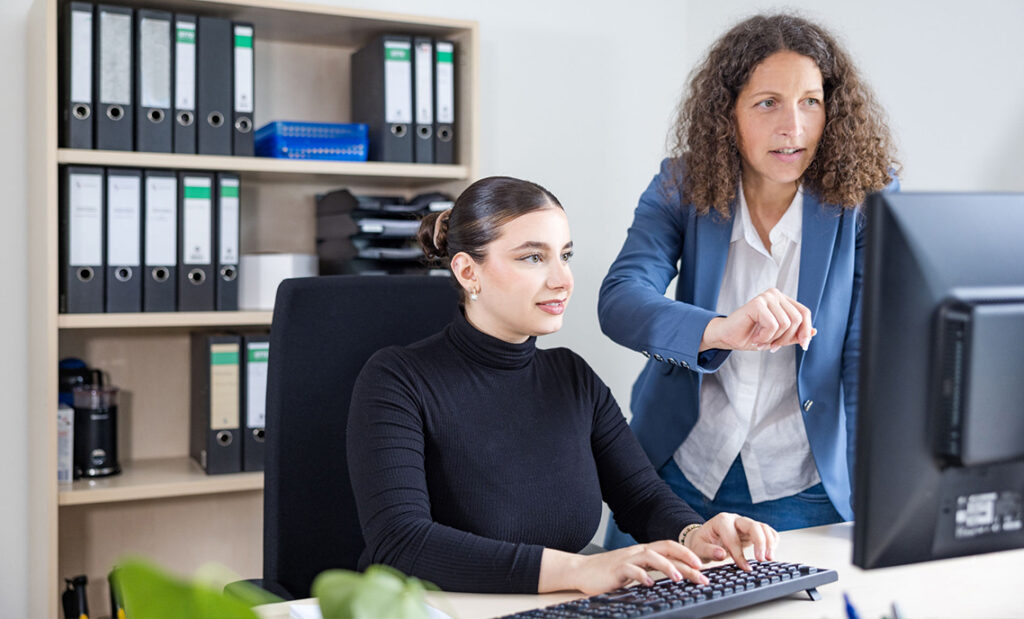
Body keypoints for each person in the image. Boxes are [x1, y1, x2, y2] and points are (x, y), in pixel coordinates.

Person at [347, 176, 779, 595]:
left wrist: (694, 533)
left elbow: (641, 496)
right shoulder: (396, 380)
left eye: (565, 256)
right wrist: (578, 569)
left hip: (558, 604)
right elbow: (400, 543)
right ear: (467, 271)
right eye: (533, 258)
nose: (562, 279)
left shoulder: (571, 377)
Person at [600, 13, 900, 548]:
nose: (794, 127)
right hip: (673, 474)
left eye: (811, 101)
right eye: (768, 103)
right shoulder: (681, 185)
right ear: (727, 115)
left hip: (804, 488)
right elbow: (621, 299)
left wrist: (878, 499)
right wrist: (718, 329)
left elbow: (862, 360)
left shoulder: (865, 202)